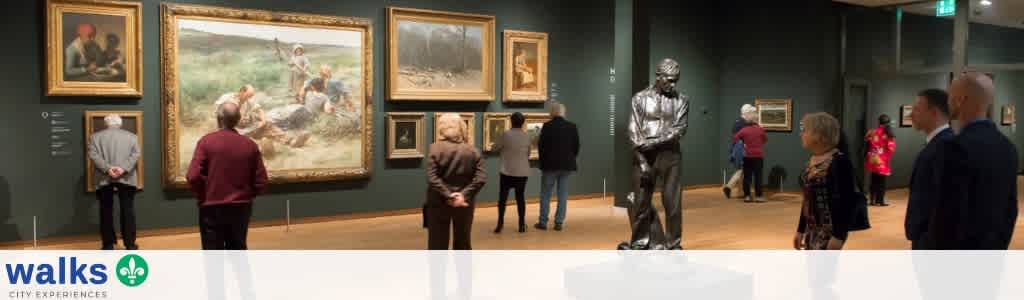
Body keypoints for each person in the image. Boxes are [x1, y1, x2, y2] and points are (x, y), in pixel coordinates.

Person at [929, 72, 1019, 250]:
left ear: (960, 100)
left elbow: (946, 214)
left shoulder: (954, 148)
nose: (948, 101)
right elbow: (1010, 210)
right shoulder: (1007, 147)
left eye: (951, 96)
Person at [620, 58, 689, 250]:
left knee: (672, 203)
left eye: (676, 80)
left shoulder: (682, 100)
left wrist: (651, 142)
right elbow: (633, 130)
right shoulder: (639, 99)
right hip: (644, 158)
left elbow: (679, 130)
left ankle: (673, 243)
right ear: (658, 77)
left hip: (671, 157)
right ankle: (640, 243)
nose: (673, 84)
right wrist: (641, 159)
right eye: (669, 79)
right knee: (641, 201)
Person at [187, 102, 269, 250]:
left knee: (213, 258)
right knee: (238, 253)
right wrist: (247, 196)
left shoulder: (206, 142)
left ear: (219, 119)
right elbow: (261, 181)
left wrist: (203, 196)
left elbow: (193, 176)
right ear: (238, 120)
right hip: (241, 208)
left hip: (212, 208)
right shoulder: (249, 145)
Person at [794, 112, 870, 250]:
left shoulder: (839, 162)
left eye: (805, 130)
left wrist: (839, 236)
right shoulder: (811, 161)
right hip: (813, 229)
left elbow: (848, 202)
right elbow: (807, 199)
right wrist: (801, 229)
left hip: (831, 232)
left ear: (819, 135)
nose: (801, 134)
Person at [426, 113, 486, 250]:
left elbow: (432, 178)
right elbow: (481, 178)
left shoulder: (435, 149)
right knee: (463, 243)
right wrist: (462, 195)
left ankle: (438, 272)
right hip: (464, 204)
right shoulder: (472, 151)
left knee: (437, 245)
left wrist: (448, 195)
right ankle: (464, 272)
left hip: (438, 202)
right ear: (461, 128)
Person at [905, 89, 953, 250]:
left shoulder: (944, 147)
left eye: (917, 110)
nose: (911, 115)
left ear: (934, 112)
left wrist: (927, 239)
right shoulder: (937, 145)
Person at [87, 114, 141, 250]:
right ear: (120, 124)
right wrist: (122, 169)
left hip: (103, 178)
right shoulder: (132, 137)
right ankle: (130, 244)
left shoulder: (95, 137)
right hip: (127, 177)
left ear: (106, 124)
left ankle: (108, 244)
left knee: (105, 211)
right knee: (127, 210)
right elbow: (136, 154)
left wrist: (107, 169)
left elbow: (93, 155)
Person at [536, 102, 580, 232]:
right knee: (563, 194)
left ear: (552, 113)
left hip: (549, 166)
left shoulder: (547, 126)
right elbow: (576, 147)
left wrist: (542, 162)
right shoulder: (572, 126)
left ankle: (543, 222)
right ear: (563, 112)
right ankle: (559, 222)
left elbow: (541, 147)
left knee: (545, 194)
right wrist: (570, 158)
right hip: (566, 165)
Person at [492, 112, 530, 234]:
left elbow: (495, 148)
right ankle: (521, 225)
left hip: (506, 171)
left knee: (502, 199)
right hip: (522, 172)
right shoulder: (526, 136)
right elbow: (528, 154)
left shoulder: (505, 135)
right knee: (520, 199)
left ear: (511, 121)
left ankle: (500, 224)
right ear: (523, 122)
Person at [733, 106, 767, 203]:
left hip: (747, 156)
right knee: (758, 177)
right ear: (756, 120)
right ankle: (759, 196)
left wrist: (743, 143)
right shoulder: (761, 130)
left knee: (747, 177)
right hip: (758, 156)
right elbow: (765, 140)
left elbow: (735, 138)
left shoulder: (744, 130)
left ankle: (747, 196)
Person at [723, 104, 755, 199]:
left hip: (737, 148)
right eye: (751, 113)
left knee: (743, 171)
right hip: (741, 149)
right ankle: (728, 187)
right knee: (742, 170)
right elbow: (742, 138)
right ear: (746, 113)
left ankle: (740, 192)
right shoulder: (743, 123)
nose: (752, 115)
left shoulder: (738, 122)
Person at [865, 115, 896, 206]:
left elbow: (867, 143)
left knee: (873, 179)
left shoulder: (872, 132)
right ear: (888, 122)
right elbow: (891, 148)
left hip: (873, 158)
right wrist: (886, 157)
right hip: (882, 160)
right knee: (881, 181)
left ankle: (872, 200)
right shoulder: (889, 133)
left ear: (879, 122)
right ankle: (880, 201)